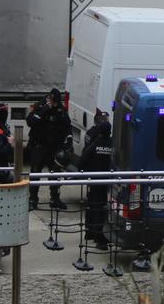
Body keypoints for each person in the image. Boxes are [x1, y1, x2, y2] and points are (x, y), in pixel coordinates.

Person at [26, 88, 71, 210]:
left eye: (55, 102)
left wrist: (68, 143)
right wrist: (43, 110)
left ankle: (55, 199)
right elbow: (30, 122)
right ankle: (33, 199)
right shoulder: (40, 107)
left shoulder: (60, 110)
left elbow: (67, 127)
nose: (53, 104)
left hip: (53, 148)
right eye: (52, 102)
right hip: (39, 146)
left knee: (55, 174)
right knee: (35, 173)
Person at [77, 110, 113, 249]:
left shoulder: (95, 144)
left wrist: (86, 172)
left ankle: (93, 234)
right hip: (109, 184)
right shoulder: (113, 145)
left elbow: (82, 161)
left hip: (95, 181)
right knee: (104, 209)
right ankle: (99, 235)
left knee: (94, 207)